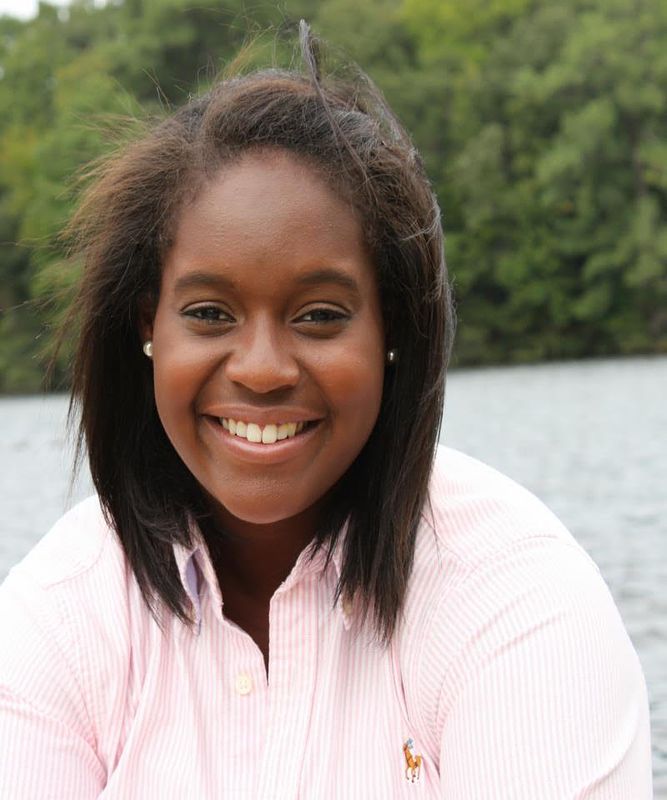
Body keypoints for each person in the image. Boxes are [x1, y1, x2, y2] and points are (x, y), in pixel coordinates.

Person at [0, 24, 652, 798]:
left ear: (393, 331)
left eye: (318, 315)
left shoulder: (513, 598)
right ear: (149, 326)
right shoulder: (61, 617)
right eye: (209, 313)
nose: (264, 370)